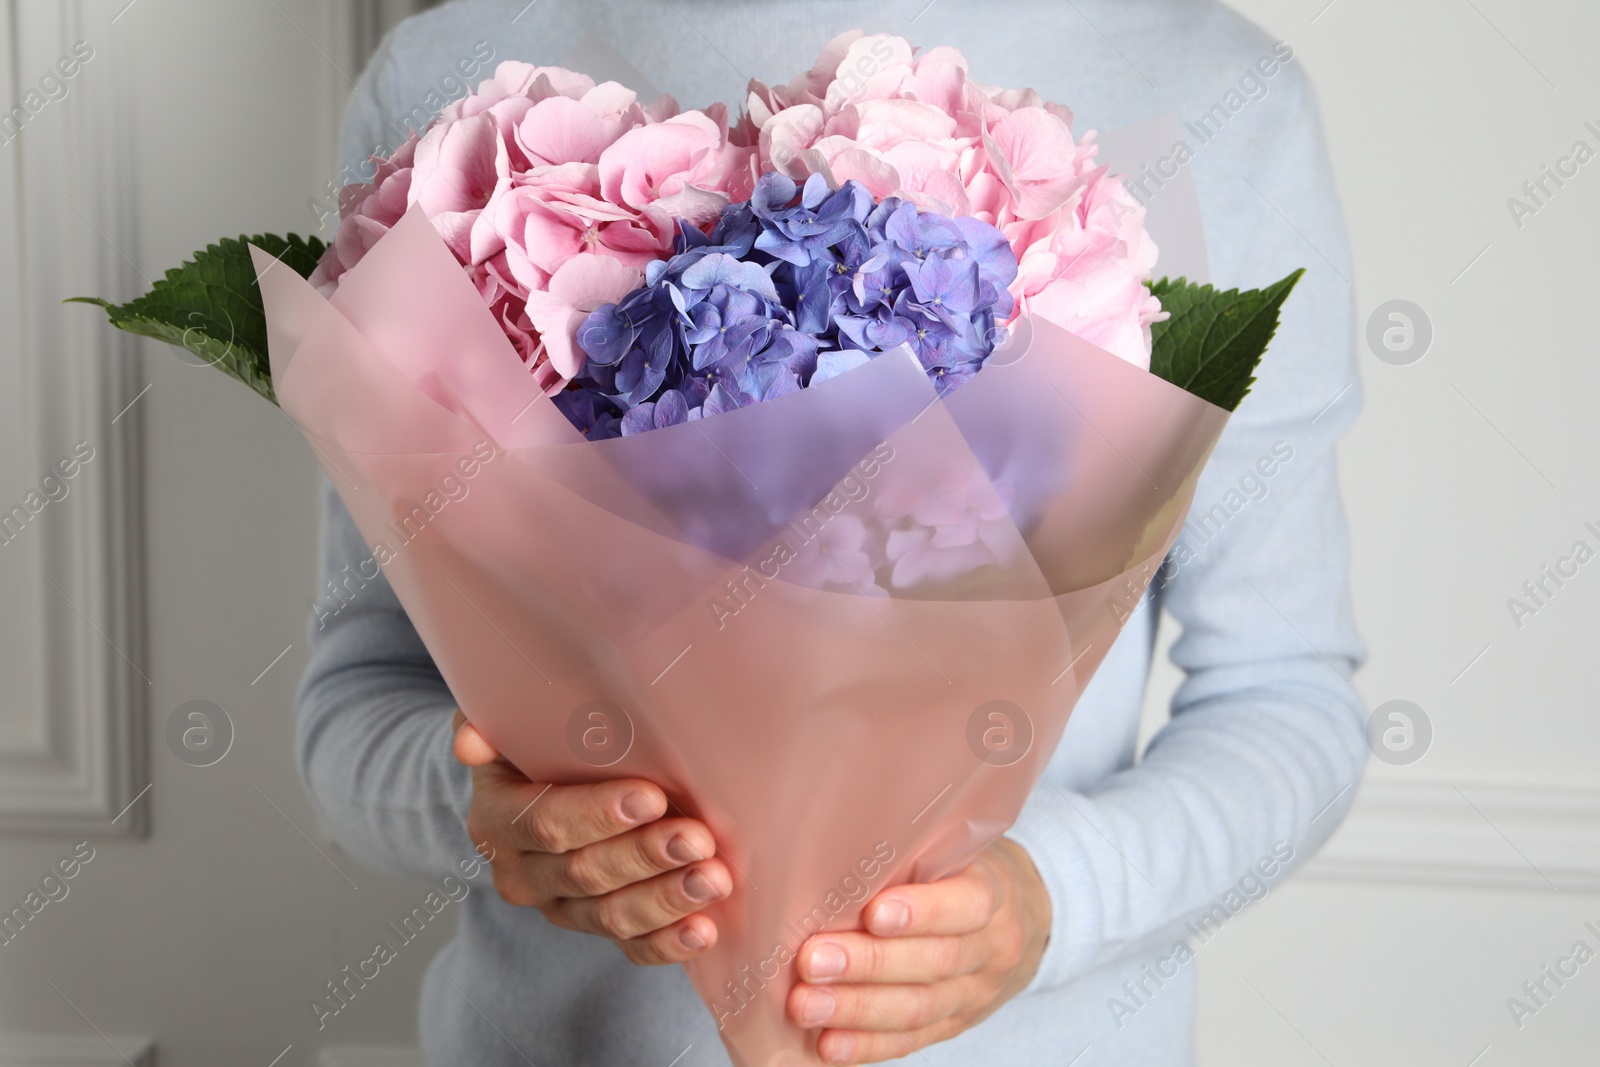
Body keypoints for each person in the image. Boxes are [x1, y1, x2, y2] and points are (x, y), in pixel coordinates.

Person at [297, 1, 1368, 1063]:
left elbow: (1287, 693)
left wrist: (1051, 898)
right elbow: (354, 704)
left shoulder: (1221, 91)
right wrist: (502, 822)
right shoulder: (453, 77)